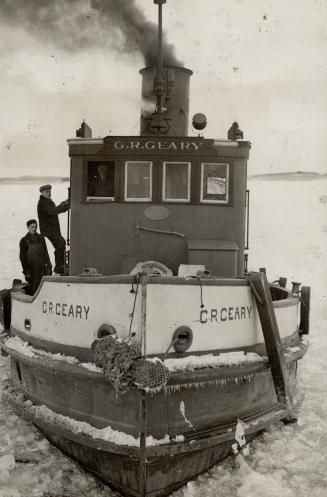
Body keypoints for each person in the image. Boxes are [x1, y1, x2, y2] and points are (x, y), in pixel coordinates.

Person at [37, 184, 69, 275]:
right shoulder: (43, 203)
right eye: (46, 192)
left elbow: (54, 209)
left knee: (61, 245)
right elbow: (53, 211)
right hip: (49, 230)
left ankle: (60, 267)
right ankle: (58, 269)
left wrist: (65, 203)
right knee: (61, 245)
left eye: (49, 191)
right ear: (42, 193)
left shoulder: (47, 201)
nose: (49, 193)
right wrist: (66, 205)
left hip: (53, 230)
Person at [19, 219, 52, 295]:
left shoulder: (41, 238)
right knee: (33, 288)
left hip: (42, 268)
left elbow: (46, 254)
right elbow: (22, 258)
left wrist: (49, 266)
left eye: (36, 227)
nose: (34, 229)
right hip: (31, 270)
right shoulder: (24, 241)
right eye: (32, 227)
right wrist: (26, 271)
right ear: (28, 227)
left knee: (44, 288)